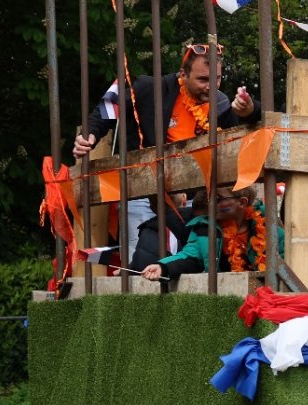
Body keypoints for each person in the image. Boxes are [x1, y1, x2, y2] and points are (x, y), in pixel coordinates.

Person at [72, 42, 258, 260]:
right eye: (202, 80)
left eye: (216, 79)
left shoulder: (220, 102)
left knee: (187, 260)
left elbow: (252, 123)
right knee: (142, 258)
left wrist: (249, 109)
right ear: (183, 74)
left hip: (193, 199)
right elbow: (109, 105)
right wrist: (90, 134)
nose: (211, 86)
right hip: (143, 192)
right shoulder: (150, 88)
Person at [141, 184, 266, 281]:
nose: (211, 203)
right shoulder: (204, 228)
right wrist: (163, 267)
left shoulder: (268, 225)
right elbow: (189, 256)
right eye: (209, 198)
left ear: (242, 202)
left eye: (217, 198)